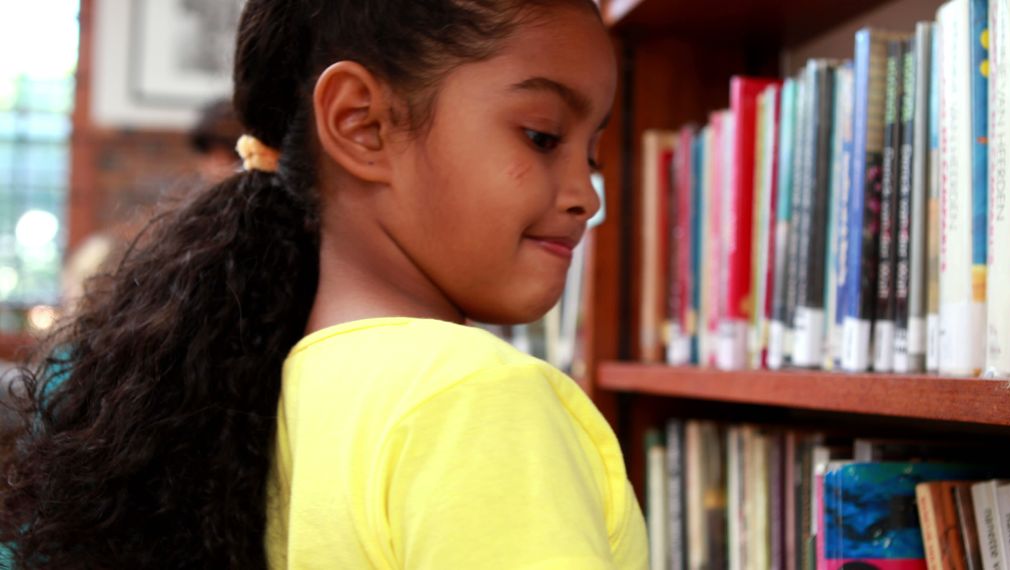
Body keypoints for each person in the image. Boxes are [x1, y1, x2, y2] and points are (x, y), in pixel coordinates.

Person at [0, 0, 647, 568]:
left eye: (591, 150)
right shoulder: (475, 397)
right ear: (361, 124)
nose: (585, 195)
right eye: (542, 137)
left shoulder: (260, 381)